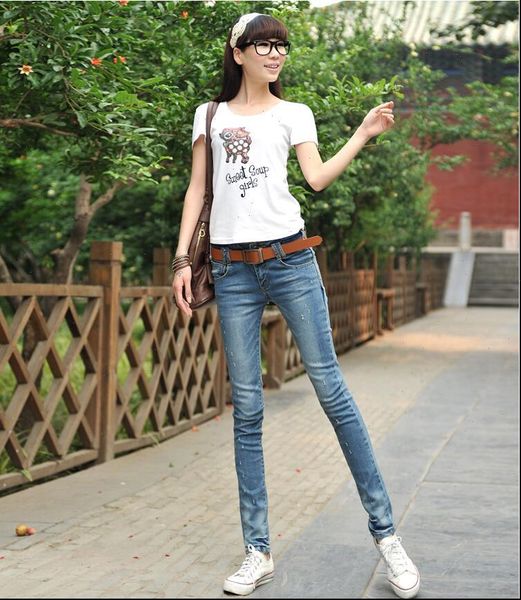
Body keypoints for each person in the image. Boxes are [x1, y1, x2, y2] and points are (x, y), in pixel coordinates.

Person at [172, 12, 420, 600]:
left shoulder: (295, 114)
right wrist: (182, 261)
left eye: (281, 45)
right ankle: (257, 551)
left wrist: (362, 133)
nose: (275, 53)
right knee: (247, 410)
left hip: (290, 260)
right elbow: (197, 189)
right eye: (263, 44)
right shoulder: (209, 115)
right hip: (230, 270)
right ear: (238, 53)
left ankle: (388, 537)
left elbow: (317, 179)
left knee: (332, 391)